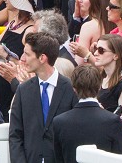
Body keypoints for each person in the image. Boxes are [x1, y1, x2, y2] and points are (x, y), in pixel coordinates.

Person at [7, 33, 76, 163]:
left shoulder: (70, 88)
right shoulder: (24, 90)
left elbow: (76, 132)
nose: (23, 59)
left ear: (42, 58)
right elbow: (15, 134)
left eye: (27, 54)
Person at [50, 65, 122, 163]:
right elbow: (119, 158)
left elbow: (59, 159)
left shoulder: (59, 122)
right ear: (99, 87)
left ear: (74, 88)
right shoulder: (113, 121)